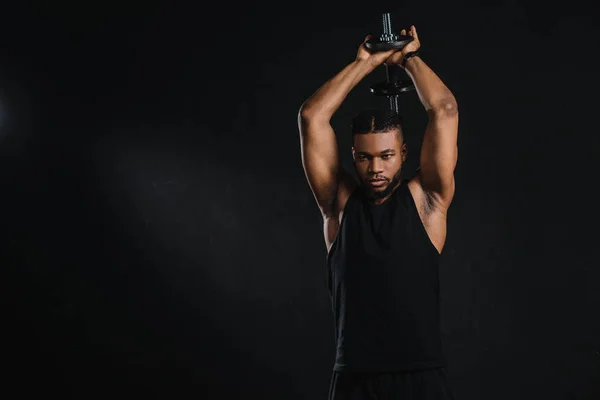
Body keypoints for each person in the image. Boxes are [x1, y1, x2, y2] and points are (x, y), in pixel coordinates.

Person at [297, 25, 459, 399]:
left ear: (403, 154)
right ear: (352, 156)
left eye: (386, 156)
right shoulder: (338, 205)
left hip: (420, 379)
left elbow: (444, 109)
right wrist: (364, 63)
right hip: (356, 379)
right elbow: (312, 117)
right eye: (365, 158)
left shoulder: (427, 202)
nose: (375, 169)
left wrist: (408, 59)